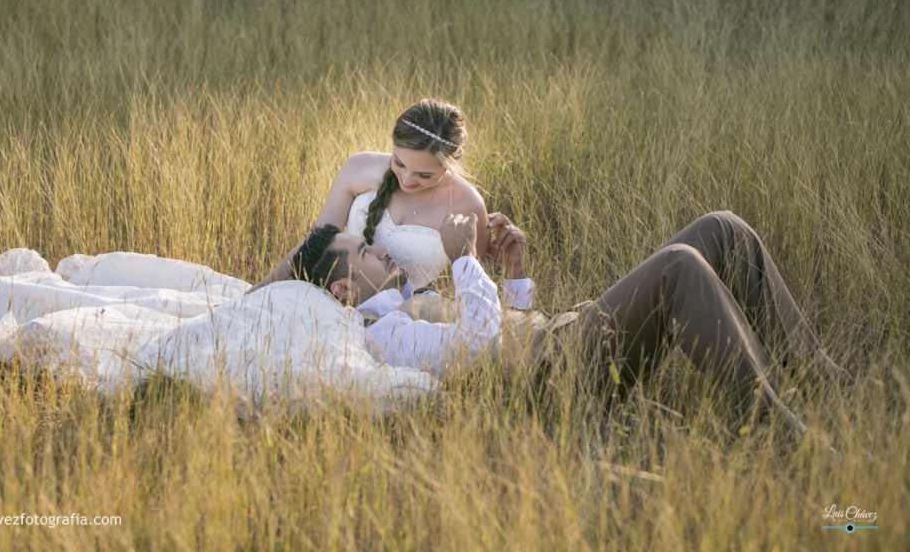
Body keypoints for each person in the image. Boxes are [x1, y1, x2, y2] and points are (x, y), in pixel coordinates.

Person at [289, 210, 854, 437]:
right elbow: (483, 349)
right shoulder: (386, 334)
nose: (380, 250)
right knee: (679, 268)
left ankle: (824, 382)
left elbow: (510, 323)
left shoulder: (405, 301)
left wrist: (514, 270)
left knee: (722, 229)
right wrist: (465, 258)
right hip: (559, 379)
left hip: (564, 335)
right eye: (364, 251)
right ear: (343, 290)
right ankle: (781, 433)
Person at [249, 99, 490, 294]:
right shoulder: (359, 166)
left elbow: (470, 289)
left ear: (450, 164)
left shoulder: (467, 205)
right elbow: (313, 247)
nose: (406, 180)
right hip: (330, 303)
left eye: (424, 175)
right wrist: (255, 295)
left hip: (403, 322)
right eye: (398, 163)